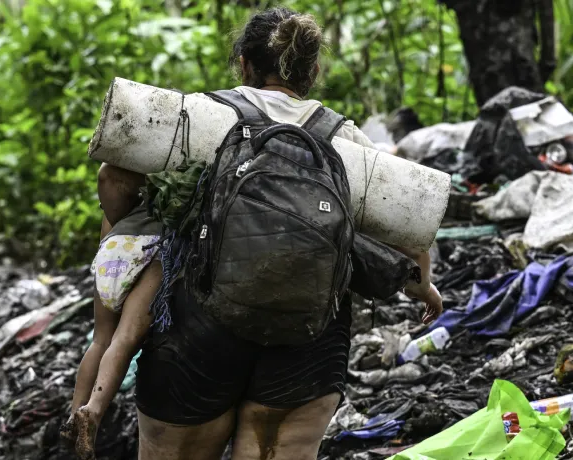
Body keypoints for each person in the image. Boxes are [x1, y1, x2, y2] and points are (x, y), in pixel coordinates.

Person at [89, 7, 443, 460]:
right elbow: (411, 237)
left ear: (244, 64)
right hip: (308, 337)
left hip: (197, 330)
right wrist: (425, 288)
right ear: (313, 71)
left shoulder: (202, 117)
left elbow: (111, 179)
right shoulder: (346, 141)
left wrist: (126, 238)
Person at [60, 201, 163, 460]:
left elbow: (106, 226)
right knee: (124, 338)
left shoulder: (127, 183)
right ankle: (93, 410)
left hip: (112, 249)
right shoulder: (180, 179)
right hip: (153, 249)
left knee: (100, 340)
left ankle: (73, 417)